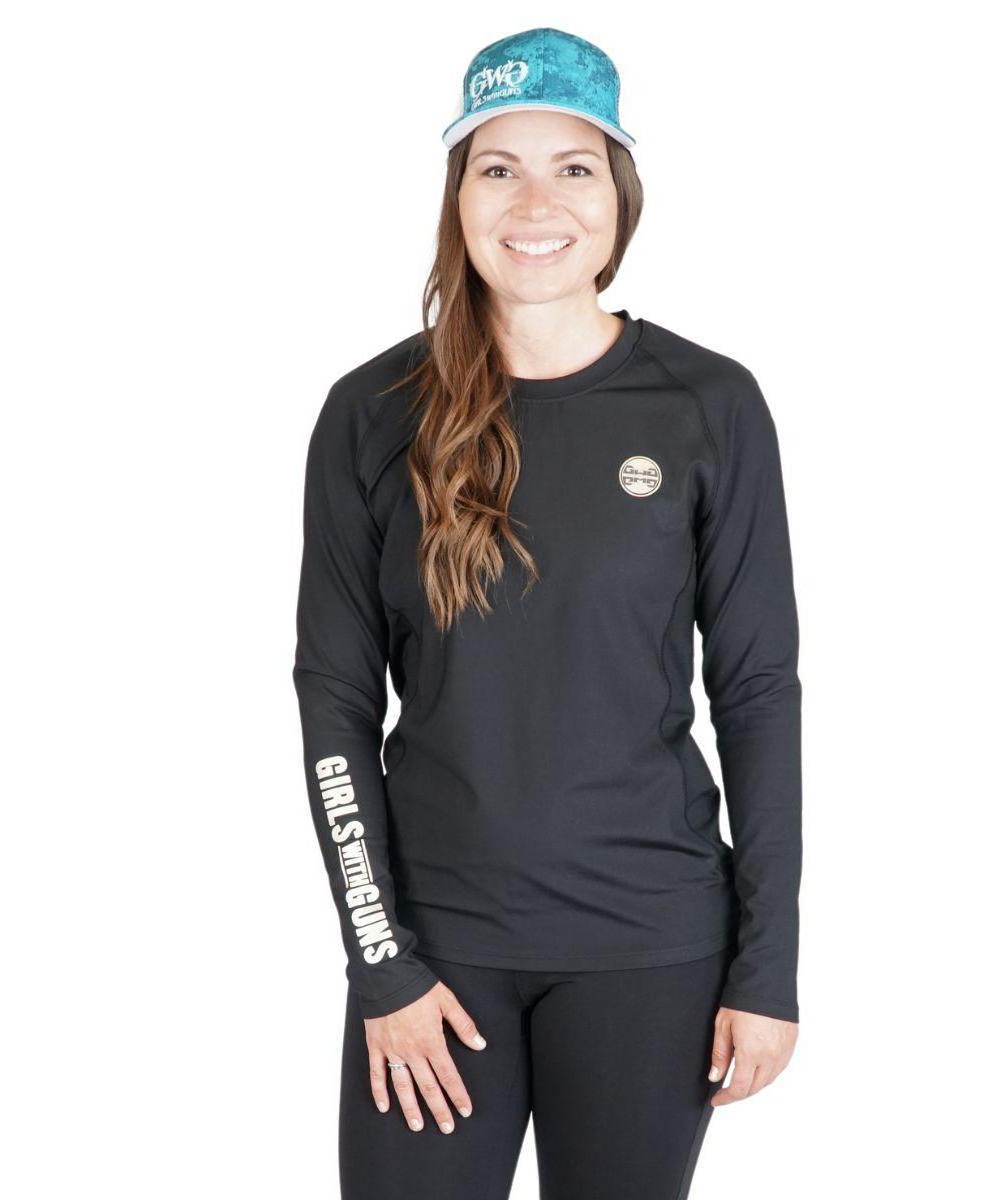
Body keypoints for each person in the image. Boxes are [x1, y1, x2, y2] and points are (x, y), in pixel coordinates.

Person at [292, 26, 803, 1200]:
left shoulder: (708, 405)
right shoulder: (372, 412)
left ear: (619, 199)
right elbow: (334, 698)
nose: (536, 202)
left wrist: (767, 966)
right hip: (435, 955)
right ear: (458, 197)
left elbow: (758, 692)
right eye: (498, 167)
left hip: (652, 950)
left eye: (574, 166)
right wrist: (381, 961)